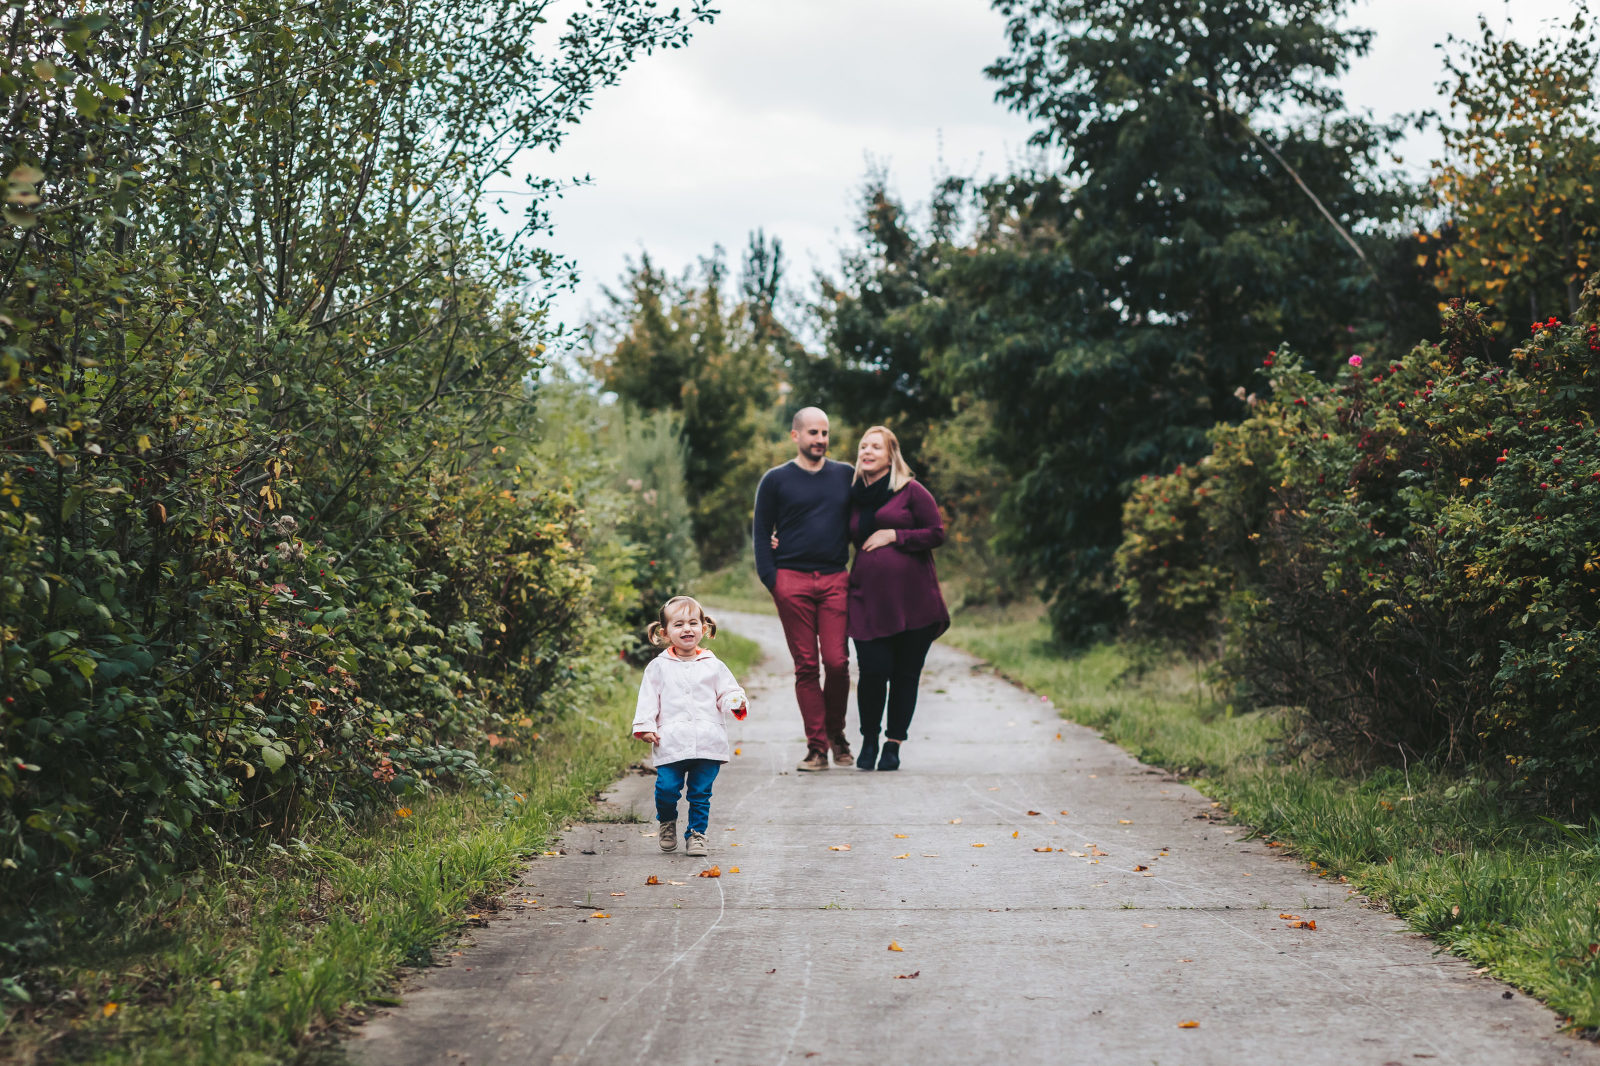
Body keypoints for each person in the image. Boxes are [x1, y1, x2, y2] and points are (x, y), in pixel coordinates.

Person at [752, 407, 855, 772]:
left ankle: (836, 732)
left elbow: (863, 519)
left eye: (825, 433)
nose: (820, 440)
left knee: (838, 663)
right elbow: (761, 533)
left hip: (834, 579)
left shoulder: (845, 475)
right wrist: (773, 580)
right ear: (795, 436)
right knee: (807, 666)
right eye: (813, 433)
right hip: (791, 580)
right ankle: (817, 748)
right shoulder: (776, 480)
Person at [846, 426, 949, 771]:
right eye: (863, 446)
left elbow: (936, 533)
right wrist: (781, 541)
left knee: (905, 674)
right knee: (872, 672)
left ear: (891, 455)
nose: (867, 451)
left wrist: (895, 534)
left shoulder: (910, 490)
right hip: (868, 600)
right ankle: (870, 738)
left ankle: (893, 743)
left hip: (914, 601)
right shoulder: (853, 496)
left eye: (876, 446)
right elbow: (828, 530)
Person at [632, 596, 748, 857]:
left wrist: (735, 701)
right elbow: (648, 698)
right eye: (679, 624)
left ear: (704, 628)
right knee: (666, 789)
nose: (687, 629)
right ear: (665, 633)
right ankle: (667, 821)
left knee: (700, 794)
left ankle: (697, 834)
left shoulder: (714, 666)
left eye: (693, 623)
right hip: (670, 741)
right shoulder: (658, 668)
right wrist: (645, 725)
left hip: (708, 742)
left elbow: (728, 692)